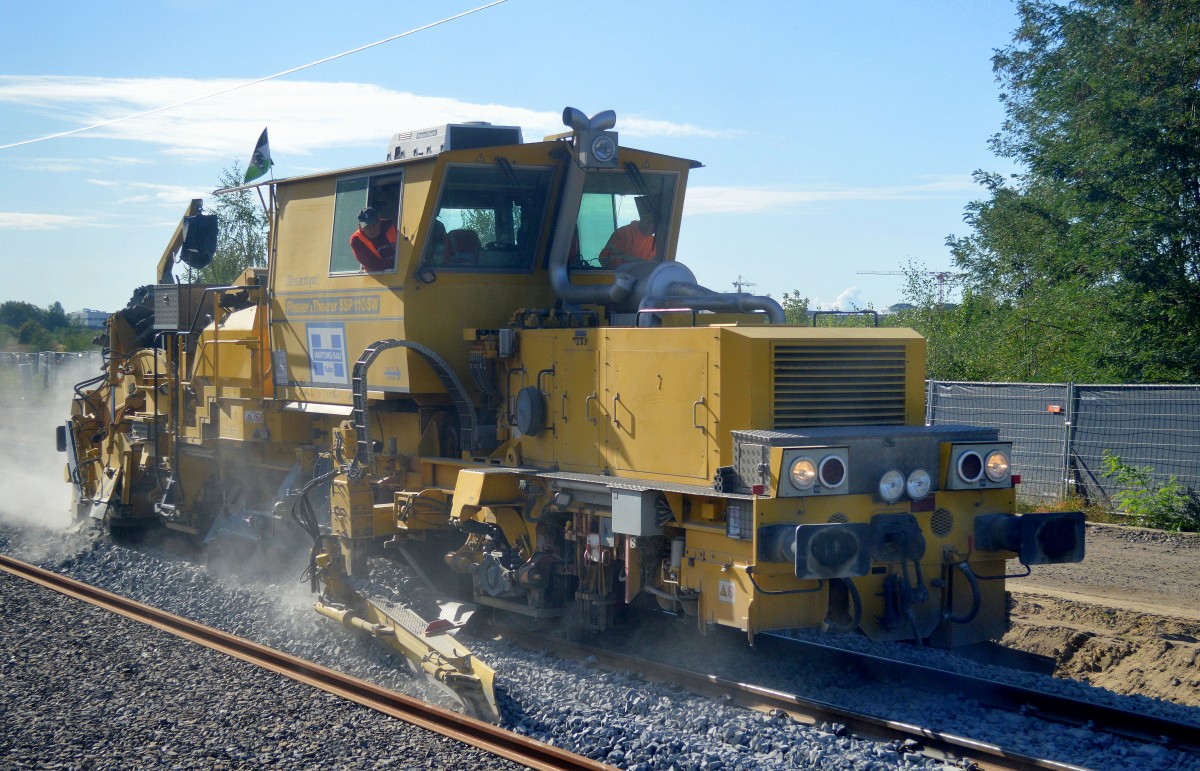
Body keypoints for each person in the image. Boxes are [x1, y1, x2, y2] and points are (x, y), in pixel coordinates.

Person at [599, 196, 657, 267]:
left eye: (655, 223)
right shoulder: (623, 233)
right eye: (650, 221)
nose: (652, 226)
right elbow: (603, 258)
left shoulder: (654, 244)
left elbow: (650, 267)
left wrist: (625, 257)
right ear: (643, 217)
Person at [349, 207, 397, 272]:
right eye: (366, 226)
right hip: (378, 278)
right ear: (360, 226)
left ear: (379, 221)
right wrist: (398, 263)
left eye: (374, 224)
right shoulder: (356, 240)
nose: (371, 229)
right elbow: (373, 265)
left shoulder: (393, 228)